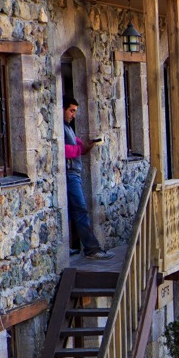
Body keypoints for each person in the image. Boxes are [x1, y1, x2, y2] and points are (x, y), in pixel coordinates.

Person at [63, 99, 112, 259]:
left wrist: (87, 146)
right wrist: (80, 148)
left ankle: (72, 247)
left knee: (74, 210)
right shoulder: (61, 129)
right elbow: (64, 150)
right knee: (80, 210)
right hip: (70, 174)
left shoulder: (68, 128)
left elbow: (78, 145)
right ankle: (92, 249)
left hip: (74, 173)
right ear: (63, 109)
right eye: (71, 110)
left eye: (75, 111)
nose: (73, 115)